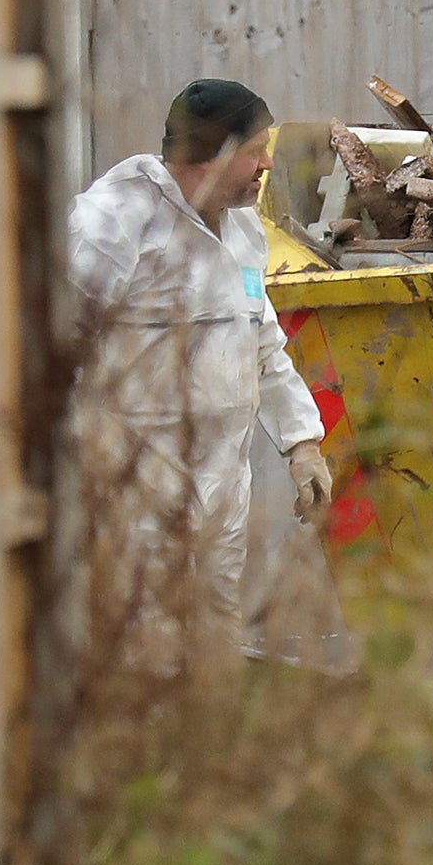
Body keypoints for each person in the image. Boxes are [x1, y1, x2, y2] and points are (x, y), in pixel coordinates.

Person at [68, 79, 332, 650]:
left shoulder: (242, 228)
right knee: (142, 658)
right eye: (255, 150)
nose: (267, 163)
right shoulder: (113, 221)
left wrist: (302, 443)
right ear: (211, 150)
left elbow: (260, 337)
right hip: (134, 493)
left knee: (215, 652)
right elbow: (59, 346)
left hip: (221, 490)